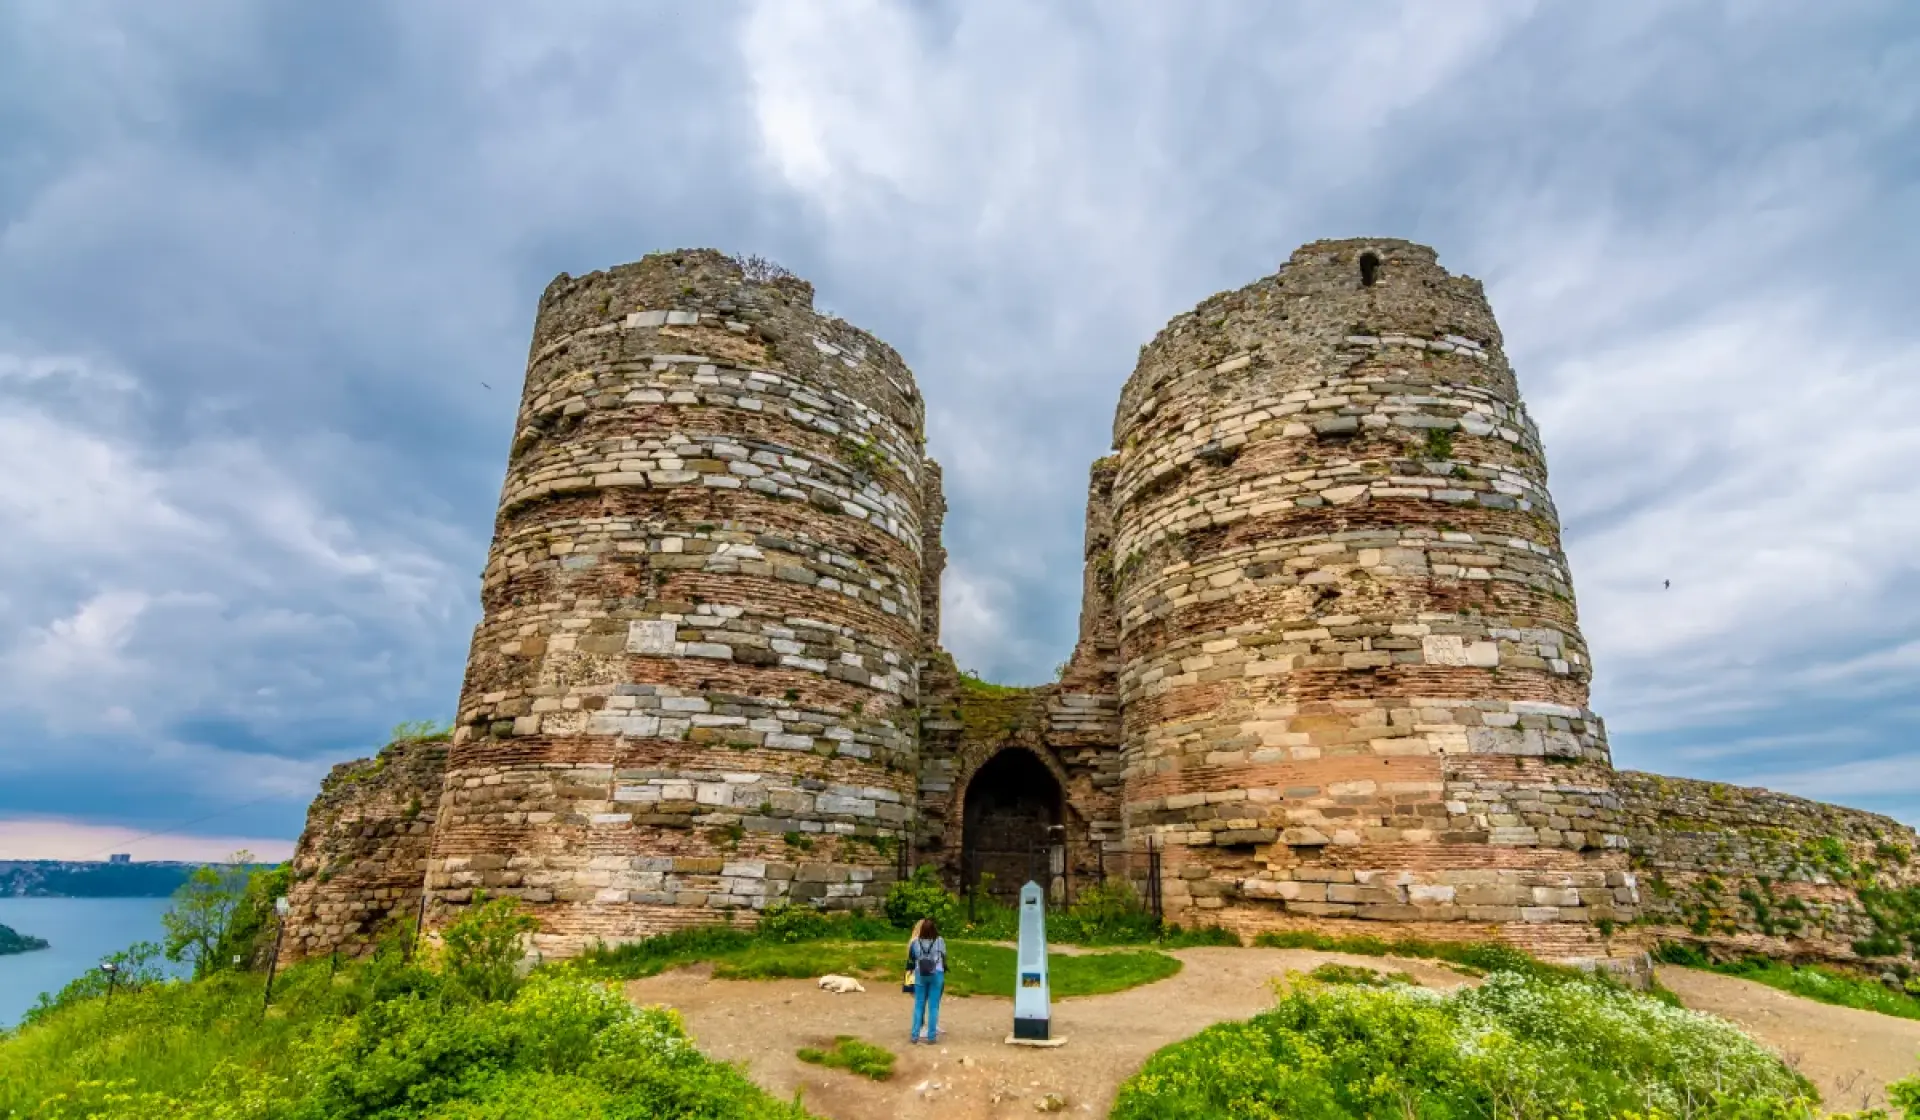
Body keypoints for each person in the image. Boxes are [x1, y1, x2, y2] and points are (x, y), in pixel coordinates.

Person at [907, 916, 947, 1044]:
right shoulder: (940, 940)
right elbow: (944, 955)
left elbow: (912, 957)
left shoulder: (915, 942)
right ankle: (931, 1037)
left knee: (919, 1004)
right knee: (933, 1006)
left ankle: (914, 1035)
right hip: (937, 974)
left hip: (920, 974)